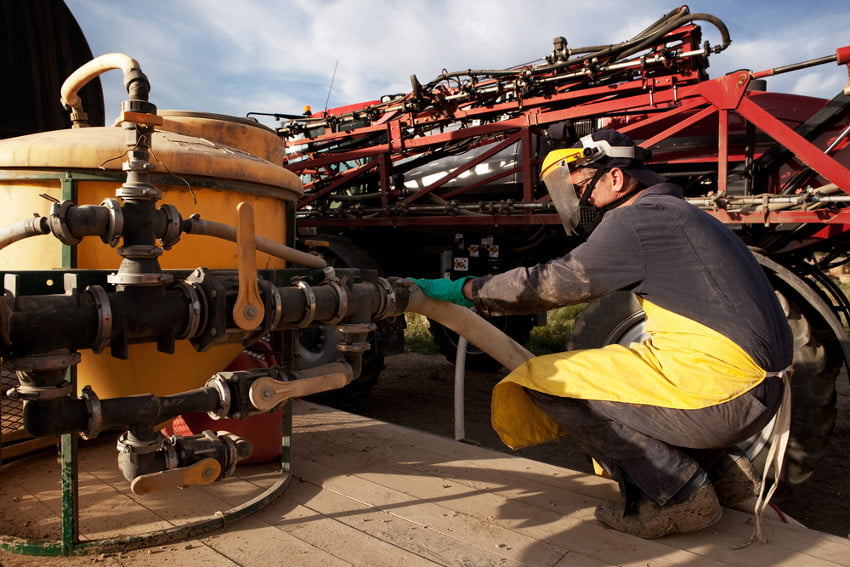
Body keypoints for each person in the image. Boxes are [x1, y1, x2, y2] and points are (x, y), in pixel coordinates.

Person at [411, 128, 793, 539]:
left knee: (545, 380)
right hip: (760, 391)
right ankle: (724, 471)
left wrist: (464, 290)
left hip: (725, 393)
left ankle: (678, 495)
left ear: (615, 178)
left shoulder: (636, 220)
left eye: (582, 187)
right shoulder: (679, 213)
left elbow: (550, 284)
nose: (582, 200)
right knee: (618, 371)